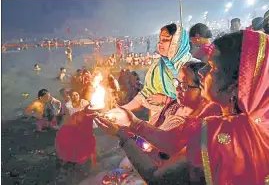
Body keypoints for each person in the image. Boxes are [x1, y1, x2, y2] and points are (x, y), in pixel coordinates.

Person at [95, 30, 269, 184]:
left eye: (213, 67)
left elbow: (159, 179)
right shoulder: (215, 110)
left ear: (237, 87)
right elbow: (175, 140)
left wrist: (122, 136)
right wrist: (132, 122)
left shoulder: (219, 133)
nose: (202, 71)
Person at [122, 23, 199, 118]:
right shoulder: (157, 66)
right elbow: (145, 95)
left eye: (166, 40)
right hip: (156, 122)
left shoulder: (194, 68)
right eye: (160, 40)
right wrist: (123, 109)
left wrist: (166, 100)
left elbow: (199, 103)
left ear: (178, 42)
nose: (160, 43)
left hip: (182, 124)